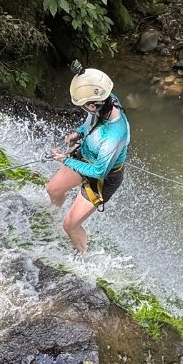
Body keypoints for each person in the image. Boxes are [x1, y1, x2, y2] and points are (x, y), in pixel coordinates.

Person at [46, 66, 130, 254]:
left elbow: (100, 172)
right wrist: (79, 132)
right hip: (85, 158)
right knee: (52, 189)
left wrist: (65, 160)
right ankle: (55, 215)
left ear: (94, 105)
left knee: (69, 225)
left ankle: (83, 254)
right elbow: (90, 121)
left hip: (103, 178)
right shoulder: (106, 98)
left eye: (84, 106)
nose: (83, 108)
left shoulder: (114, 136)